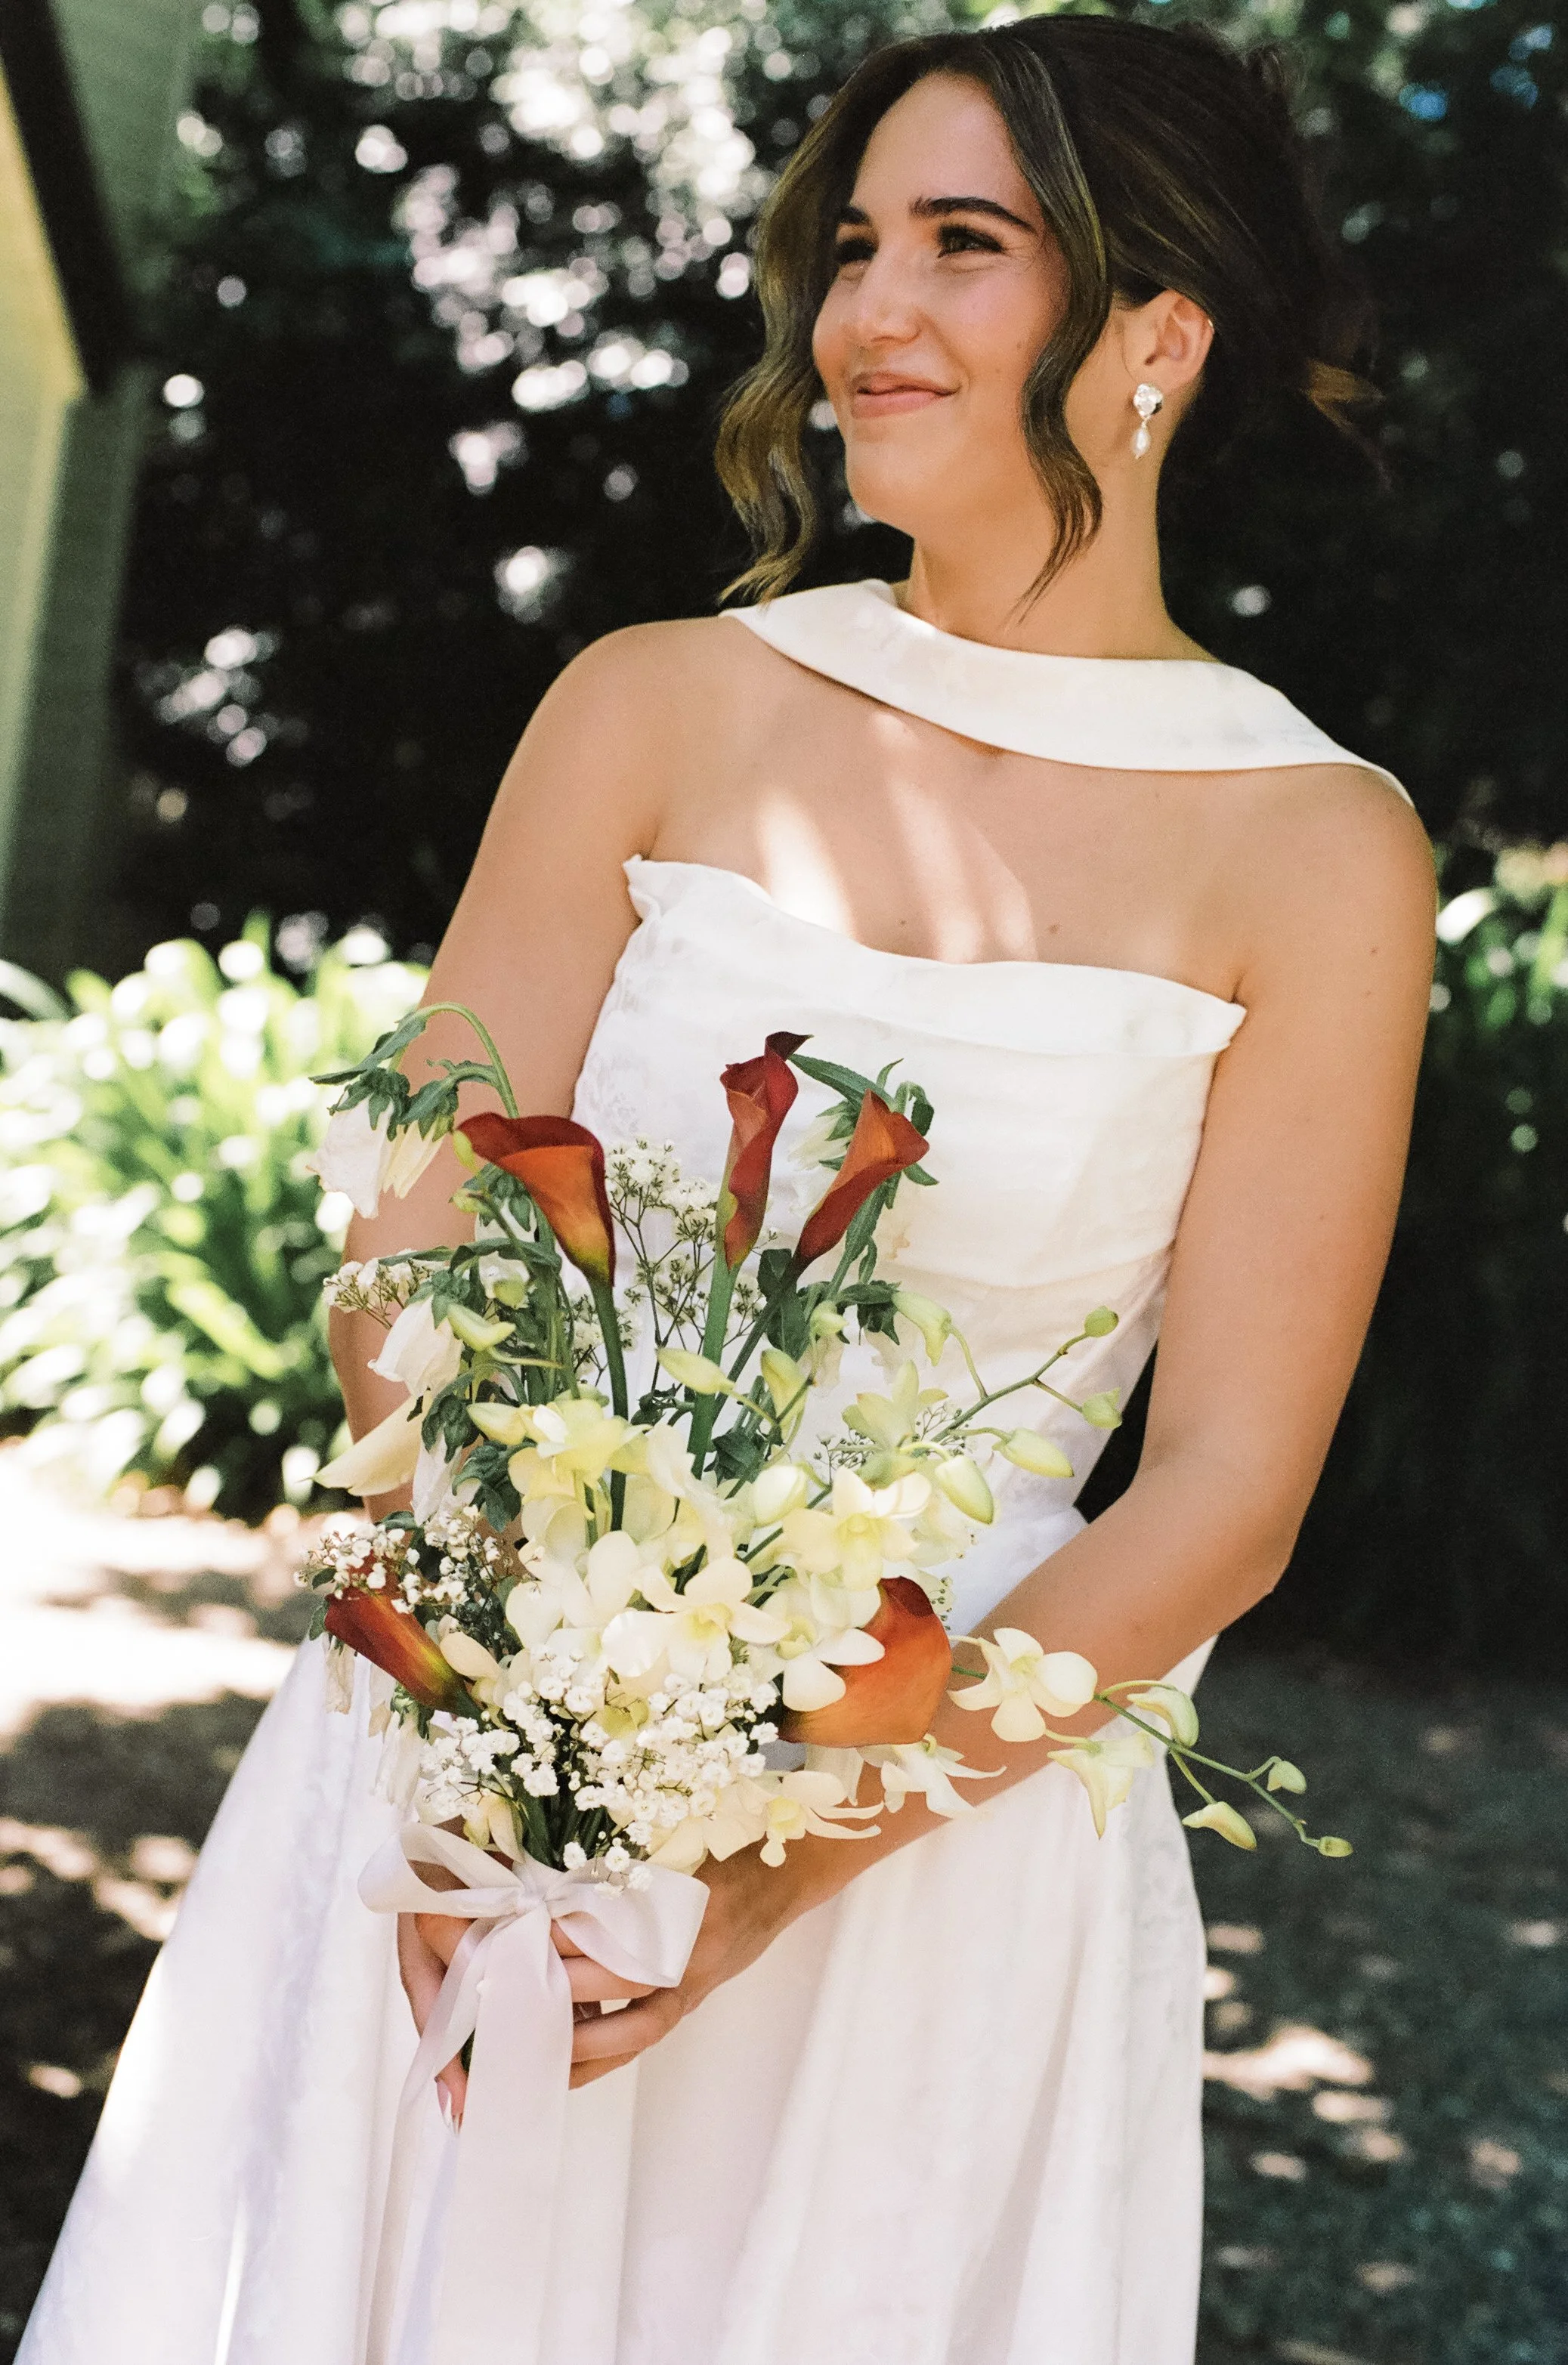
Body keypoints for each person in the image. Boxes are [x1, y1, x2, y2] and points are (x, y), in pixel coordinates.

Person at [19, 16, 1435, 2365]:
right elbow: (415, 1226)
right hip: (466, 1752)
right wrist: (508, 1718)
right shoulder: (656, 704)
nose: (864, 312)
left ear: (1157, 336)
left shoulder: (1318, 847)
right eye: (852, 245)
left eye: (963, 251)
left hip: (927, 1851)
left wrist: (762, 1877)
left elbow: (1229, 1487)